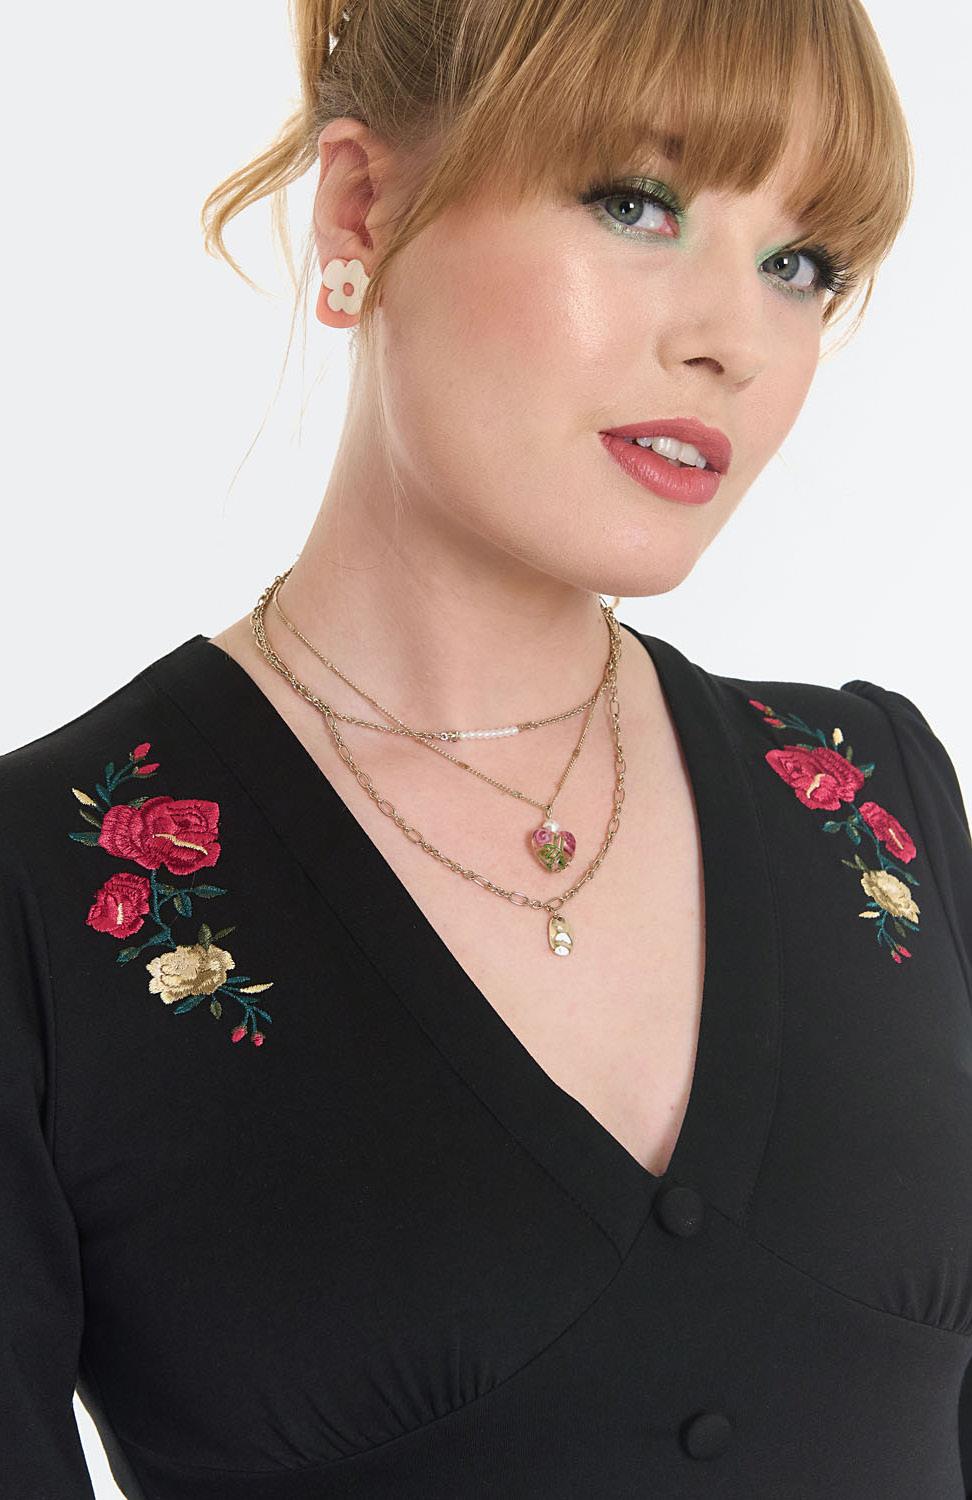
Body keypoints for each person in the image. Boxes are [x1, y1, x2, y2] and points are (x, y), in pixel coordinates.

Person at [2, 0, 970, 1494]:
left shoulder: (875, 794)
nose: (731, 342)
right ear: (361, 208)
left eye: (800, 264)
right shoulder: (42, 893)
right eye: (637, 203)